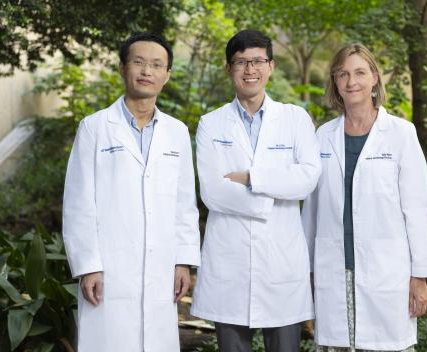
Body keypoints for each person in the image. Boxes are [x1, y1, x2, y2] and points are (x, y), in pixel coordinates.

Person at [62, 32, 200, 352]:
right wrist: (88, 265)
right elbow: (78, 202)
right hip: (109, 266)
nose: (146, 71)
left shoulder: (176, 132)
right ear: (123, 68)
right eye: (138, 62)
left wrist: (183, 262)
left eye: (156, 65)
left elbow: (184, 203)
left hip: (162, 263)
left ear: (166, 76)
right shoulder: (94, 128)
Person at [190, 29, 322, 352]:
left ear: (271, 66)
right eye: (241, 62)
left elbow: (306, 179)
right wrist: (275, 195)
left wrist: (251, 178)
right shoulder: (211, 123)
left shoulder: (296, 119)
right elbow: (212, 191)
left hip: (282, 262)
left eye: (258, 61)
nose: (250, 69)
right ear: (228, 68)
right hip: (229, 263)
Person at [301, 43, 427, 352]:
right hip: (334, 269)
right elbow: (312, 211)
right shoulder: (322, 136)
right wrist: (304, 271)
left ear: (374, 78)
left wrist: (420, 276)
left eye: (360, 72)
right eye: (343, 74)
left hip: (387, 271)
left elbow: (417, 209)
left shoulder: (401, 133)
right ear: (335, 81)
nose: (351, 82)